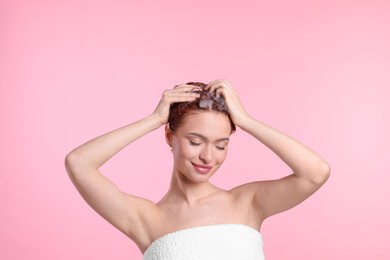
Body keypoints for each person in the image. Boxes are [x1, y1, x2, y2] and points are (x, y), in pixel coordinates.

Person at [65, 79, 330, 259]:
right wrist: (154, 120)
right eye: (195, 141)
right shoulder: (145, 218)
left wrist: (246, 121)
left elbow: (315, 172)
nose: (207, 156)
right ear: (170, 137)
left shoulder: (248, 202)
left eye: (221, 145)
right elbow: (79, 163)